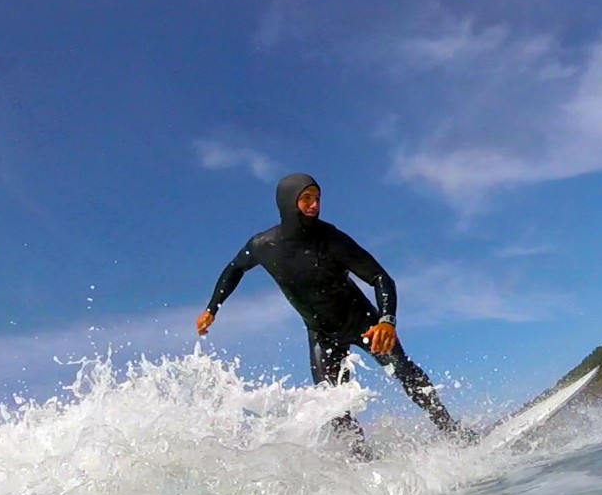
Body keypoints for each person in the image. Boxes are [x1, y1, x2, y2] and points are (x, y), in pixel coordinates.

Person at [196, 172, 478, 459]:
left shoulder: (331, 239)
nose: (314, 205)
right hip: (320, 333)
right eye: (306, 198)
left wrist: (386, 320)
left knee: (405, 372)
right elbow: (234, 268)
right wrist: (212, 308)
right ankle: (365, 464)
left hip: (364, 324)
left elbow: (380, 277)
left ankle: (451, 430)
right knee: (334, 407)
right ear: (287, 201)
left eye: (317, 198)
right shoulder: (263, 245)